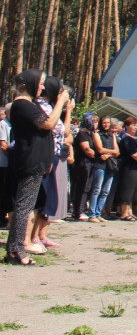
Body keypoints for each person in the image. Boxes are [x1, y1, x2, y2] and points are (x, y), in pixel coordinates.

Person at [6, 70, 69, 265]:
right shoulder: (21, 105)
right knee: (24, 206)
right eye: (40, 83)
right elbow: (49, 124)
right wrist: (61, 102)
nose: (42, 87)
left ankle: (13, 249)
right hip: (29, 162)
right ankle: (16, 250)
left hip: (37, 162)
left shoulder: (29, 105)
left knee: (27, 205)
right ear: (31, 83)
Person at [32, 76, 71, 249]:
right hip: (46, 155)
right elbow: (50, 126)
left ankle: (42, 234)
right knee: (43, 197)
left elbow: (65, 132)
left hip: (56, 155)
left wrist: (67, 110)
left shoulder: (52, 107)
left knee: (51, 198)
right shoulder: (40, 105)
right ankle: (33, 236)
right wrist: (61, 103)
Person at [116, 117, 137, 220]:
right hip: (129, 168)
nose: (135, 127)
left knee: (135, 192)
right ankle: (124, 213)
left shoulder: (135, 138)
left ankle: (130, 212)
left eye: (136, 125)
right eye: (133, 125)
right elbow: (134, 154)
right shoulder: (126, 139)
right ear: (126, 126)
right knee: (127, 190)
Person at [87, 115, 120, 222]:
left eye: (108, 123)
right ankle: (92, 214)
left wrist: (108, 155)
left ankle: (99, 212)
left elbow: (117, 152)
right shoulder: (97, 134)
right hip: (100, 165)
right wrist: (111, 152)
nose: (106, 125)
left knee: (105, 191)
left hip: (110, 165)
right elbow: (100, 150)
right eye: (104, 122)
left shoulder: (112, 136)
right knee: (97, 189)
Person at [70, 113, 97, 221]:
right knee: (81, 188)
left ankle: (80, 210)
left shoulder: (91, 134)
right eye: (94, 121)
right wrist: (98, 156)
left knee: (86, 188)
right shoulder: (82, 134)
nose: (95, 124)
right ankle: (78, 211)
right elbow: (86, 149)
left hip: (89, 164)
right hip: (82, 165)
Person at [0, 104, 11, 229]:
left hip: (9, 164)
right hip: (3, 163)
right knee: (2, 191)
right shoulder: (3, 124)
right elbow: (3, 145)